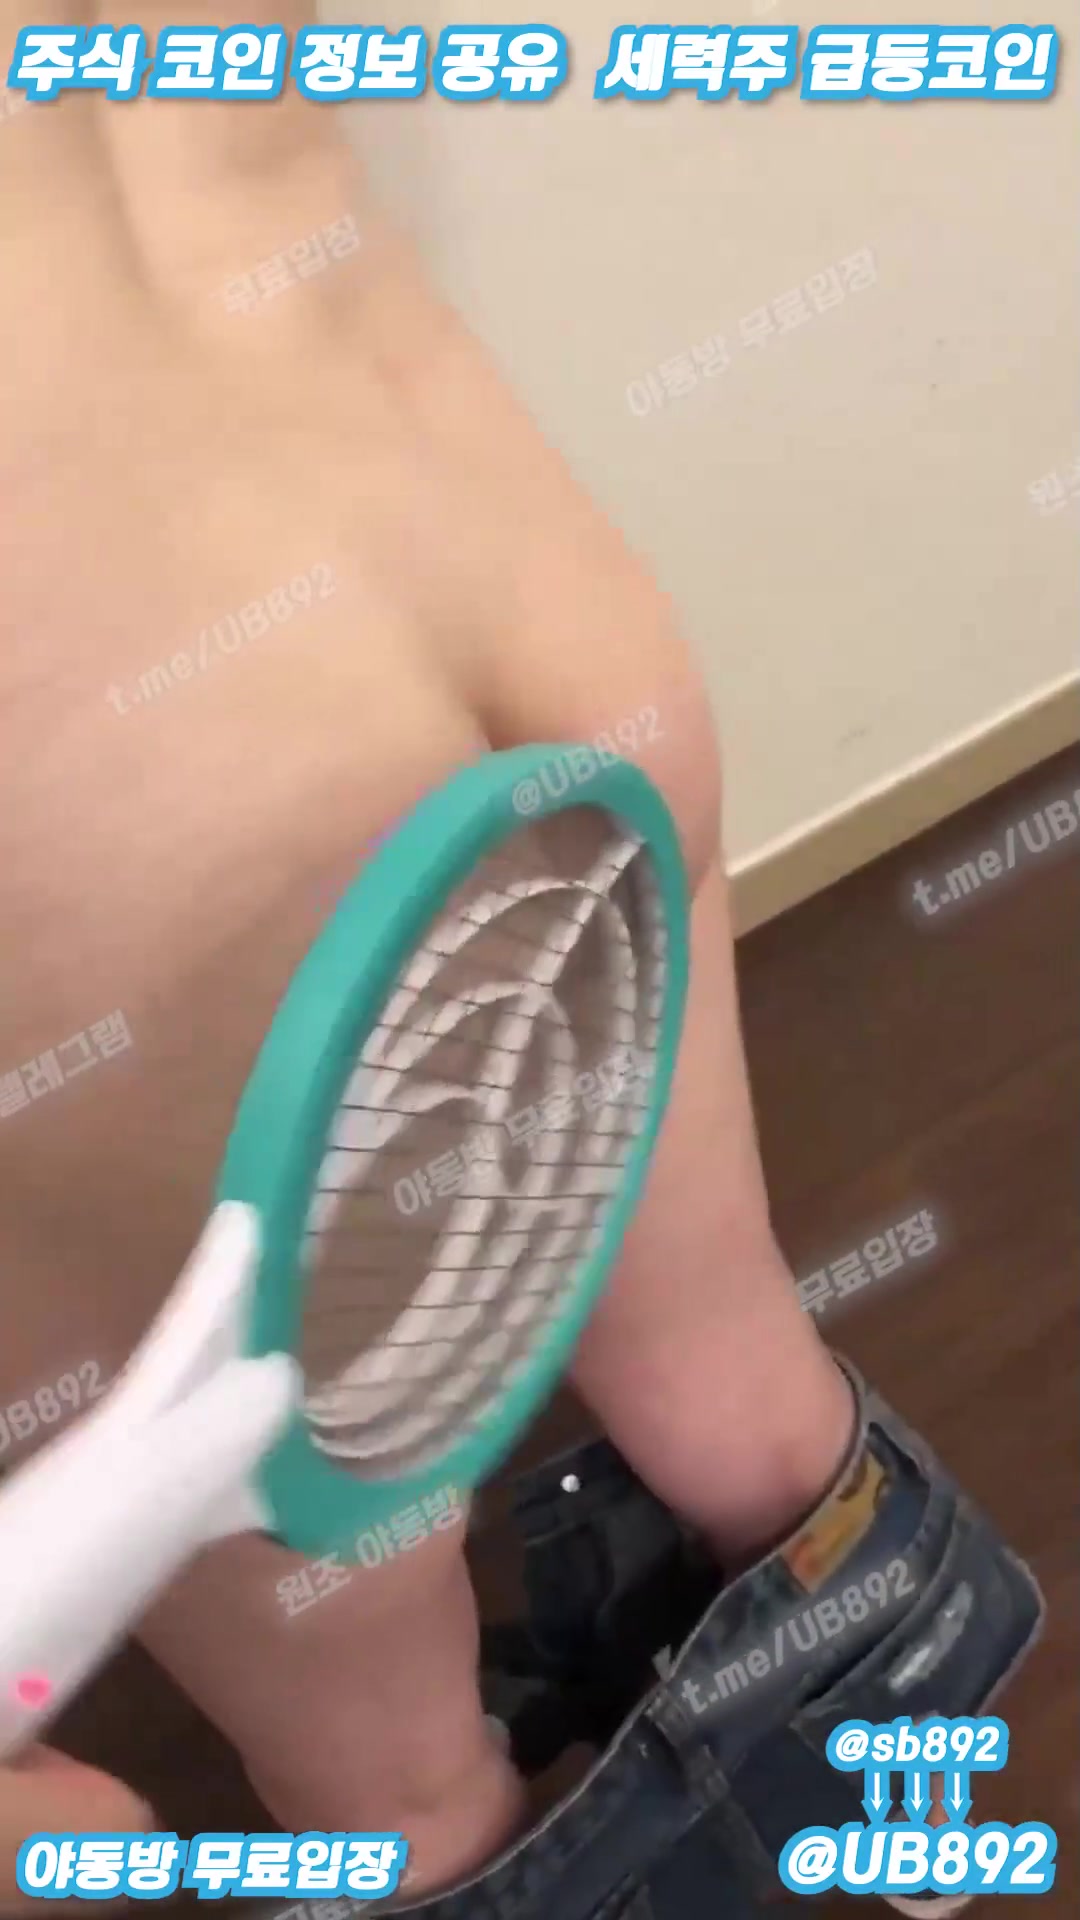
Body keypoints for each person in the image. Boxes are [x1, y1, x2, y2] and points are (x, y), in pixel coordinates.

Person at [0, 7, 1043, 1914]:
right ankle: (912, 1835)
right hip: (498, 576)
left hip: (132, 850)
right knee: (746, 1402)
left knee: (392, 1770)